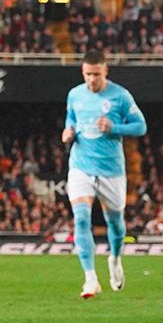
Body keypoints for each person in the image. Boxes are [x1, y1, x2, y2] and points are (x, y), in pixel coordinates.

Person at [63, 49, 147, 298]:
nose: (92, 79)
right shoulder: (75, 95)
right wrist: (67, 132)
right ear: (83, 72)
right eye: (88, 74)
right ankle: (90, 279)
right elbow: (70, 120)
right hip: (80, 166)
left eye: (96, 74)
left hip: (111, 169)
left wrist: (114, 127)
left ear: (105, 71)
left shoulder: (120, 96)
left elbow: (141, 126)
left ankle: (115, 257)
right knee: (80, 219)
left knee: (116, 224)